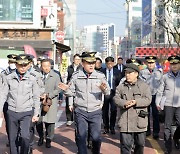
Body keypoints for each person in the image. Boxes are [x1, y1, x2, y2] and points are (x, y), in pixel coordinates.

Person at [58, 52, 110, 154]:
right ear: (82, 63)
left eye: (93, 63)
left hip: (95, 111)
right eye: (88, 63)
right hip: (81, 111)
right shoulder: (76, 76)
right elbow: (71, 92)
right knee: (81, 136)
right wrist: (65, 90)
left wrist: (104, 90)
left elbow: (108, 92)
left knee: (96, 137)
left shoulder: (100, 76)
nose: (91, 65)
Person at [0, 54, 40, 154]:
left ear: (28, 65)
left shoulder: (33, 78)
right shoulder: (8, 78)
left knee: (25, 136)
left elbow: (36, 97)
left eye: (25, 65)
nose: (22, 67)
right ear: (16, 65)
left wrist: (36, 113)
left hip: (26, 112)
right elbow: (3, 95)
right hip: (12, 111)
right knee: (12, 138)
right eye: (20, 65)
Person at [114, 63, 151, 154]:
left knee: (140, 144)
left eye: (130, 73)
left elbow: (148, 99)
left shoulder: (143, 86)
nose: (127, 75)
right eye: (126, 73)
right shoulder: (121, 86)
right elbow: (116, 99)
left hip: (140, 120)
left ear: (136, 74)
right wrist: (124, 103)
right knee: (125, 145)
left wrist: (136, 102)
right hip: (125, 121)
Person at [156, 55, 180, 154]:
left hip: (179, 105)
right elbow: (160, 91)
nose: (174, 66)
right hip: (168, 104)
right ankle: (167, 147)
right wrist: (158, 103)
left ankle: (176, 138)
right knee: (167, 127)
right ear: (170, 65)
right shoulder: (165, 77)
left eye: (176, 64)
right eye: (172, 64)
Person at [36, 59, 61, 148]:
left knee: (50, 122)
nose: (46, 68)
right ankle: (41, 137)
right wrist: (39, 95)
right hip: (39, 101)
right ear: (41, 67)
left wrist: (48, 95)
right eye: (44, 66)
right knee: (38, 121)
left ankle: (49, 139)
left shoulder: (55, 76)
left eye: (47, 66)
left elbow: (58, 89)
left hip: (50, 102)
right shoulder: (37, 75)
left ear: (50, 66)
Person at [140, 56, 163, 139]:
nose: (150, 64)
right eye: (149, 63)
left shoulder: (159, 72)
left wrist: (160, 96)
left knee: (156, 114)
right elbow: (140, 84)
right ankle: (147, 130)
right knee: (146, 114)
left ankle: (156, 132)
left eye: (152, 63)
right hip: (146, 96)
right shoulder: (142, 72)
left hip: (156, 96)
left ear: (154, 63)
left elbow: (161, 84)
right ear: (146, 63)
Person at [102, 56, 122, 134]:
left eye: (111, 63)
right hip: (105, 93)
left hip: (114, 93)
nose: (109, 65)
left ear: (113, 63)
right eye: (108, 63)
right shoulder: (102, 72)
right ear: (106, 64)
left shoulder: (117, 72)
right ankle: (106, 126)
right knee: (105, 111)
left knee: (113, 110)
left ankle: (112, 127)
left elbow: (119, 83)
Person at [1, 54, 17, 147]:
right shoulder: (3, 73)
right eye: (11, 62)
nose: (12, 64)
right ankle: (11, 139)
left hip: (18, 101)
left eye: (14, 62)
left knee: (19, 122)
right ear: (8, 62)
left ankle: (17, 138)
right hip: (7, 101)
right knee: (9, 122)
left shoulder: (20, 73)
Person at [65, 54, 82, 126]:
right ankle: (69, 119)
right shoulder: (69, 67)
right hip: (70, 87)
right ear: (73, 60)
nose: (77, 61)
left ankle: (77, 118)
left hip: (78, 88)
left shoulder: (81, 68)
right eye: (76, 59)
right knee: (68, 103)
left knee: (77, 103)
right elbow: (67, 77)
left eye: (78, 59)